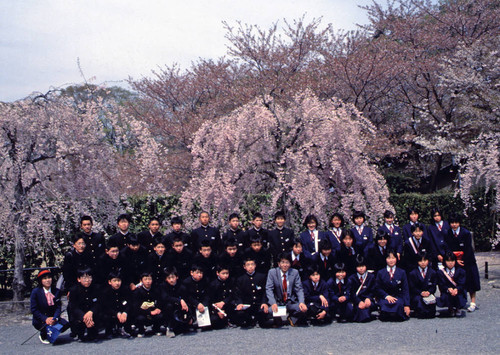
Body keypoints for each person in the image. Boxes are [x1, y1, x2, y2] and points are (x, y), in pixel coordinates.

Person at [444, 214, 480, 312]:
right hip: (453, 261)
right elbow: (447, 248)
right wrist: (455, 260)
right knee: (456, 282)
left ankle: (473, 303)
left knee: (471, 281)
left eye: (456, 222)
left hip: (467, 260)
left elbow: (468, 248)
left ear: (459, 223)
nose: (454, 225)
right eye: (452, 223)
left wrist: (462, 260)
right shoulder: (447, 233)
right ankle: (457, 302)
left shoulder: (466, 233)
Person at [266, 253, 308, 326]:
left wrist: (302, 302)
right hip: (278, 302)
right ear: (279, 264)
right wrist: (273, 303)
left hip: (290, 301)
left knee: (303, 309)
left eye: (287, 262)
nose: (285, 265)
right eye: (282, 262)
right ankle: (277, 318)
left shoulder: (295, 272)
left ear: (290, 264)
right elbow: (269, 289)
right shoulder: (272, 272)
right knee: (268, 311)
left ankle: (292, 317)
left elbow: (299, 289)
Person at [30, 269, 69, 344]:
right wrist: (46, 319)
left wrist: (55, 318)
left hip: (53, 317)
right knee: (43, 326)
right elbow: (34, 309)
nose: (47, 280)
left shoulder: (56, 291)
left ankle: (52, 332)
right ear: (40, 280)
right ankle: (43, 335)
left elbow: (58, 307)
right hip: (41, 319)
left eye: (49, 278)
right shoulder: (36, 292)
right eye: (44, 278)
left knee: (66, 324)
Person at [234, 258, 273, 328]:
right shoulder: (241, 279)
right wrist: (240, 303)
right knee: (240, 314)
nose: (250, 266)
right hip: (248, 304)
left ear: (255, 265)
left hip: (258, 304)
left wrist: (264, 302)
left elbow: (265, 291)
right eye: (248, 265)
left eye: (252, 264)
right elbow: (238, 293)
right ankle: (250, 320)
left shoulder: (262, 276)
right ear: (244, 267)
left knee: (264, 319)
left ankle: (258, 319)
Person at [375, 249, 410, 321]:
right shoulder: (380, 272)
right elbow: (378, 288)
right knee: (385, 305)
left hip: (397, 297)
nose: (391, 260)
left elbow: (405, 289)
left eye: (393, 258)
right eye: (389, 258)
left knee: (398, 304)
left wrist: (407, 305)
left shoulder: (402, 272)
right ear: (385, 259)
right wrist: (386, 296)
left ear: (396, 259)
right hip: (385, 297)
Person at [68, 267, 100, 341]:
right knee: (76, 320)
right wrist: (84, 317)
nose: (87, 280)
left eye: (89, 277)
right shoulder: (73, 290)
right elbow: (73, 307)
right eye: (84, 278)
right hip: (80, 314)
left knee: (94, 335)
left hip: (91, 313)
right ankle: (78, 332)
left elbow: (99, 303)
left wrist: (91, 312)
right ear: (79, 279)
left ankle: (93, 331)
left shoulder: (96, 288)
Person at [160, 267, 192, 337]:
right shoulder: (163, 286)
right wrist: (180, 300)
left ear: (177, 277)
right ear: (166, 279)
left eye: (173, 277)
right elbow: (165, 297)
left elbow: (188, 299)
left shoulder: (182, 286)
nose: (171, 280)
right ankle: (169, 327)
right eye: (169, 278)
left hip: (179, 308)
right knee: (169, 306)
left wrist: (190, 316)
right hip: (167, 308)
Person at [101, 271, 132, 338]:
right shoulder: (106, 292)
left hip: (122, 311)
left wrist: (125, 312)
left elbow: (129, 303)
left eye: (119, 280)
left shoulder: (125, 289)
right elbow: (106, 306)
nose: (117, 283)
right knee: (105, 316)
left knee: (131, 312)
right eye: (114, 281)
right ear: (109, 282)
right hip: (111, 312)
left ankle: (123, 329)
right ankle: (109, 330)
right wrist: (117, 313)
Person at [133, 271, 164, 337]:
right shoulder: (137, 291)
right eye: (145, 279)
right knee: (140, 318)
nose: (148, 281)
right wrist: (149, 312)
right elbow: (136, 307)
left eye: (149, 279)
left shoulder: (156, 290)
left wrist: (158, 309)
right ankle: (141, 330)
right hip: (142, 312)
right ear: (141, 281)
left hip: (154, 310)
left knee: (160, 315)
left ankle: (156, 328)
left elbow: (160, 301)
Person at [408, 251, 437, 318]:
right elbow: (412, 287)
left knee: (430, 310)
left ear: (428, 261)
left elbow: (434, 286)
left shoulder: (432, 272)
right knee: (419, 302)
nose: (423, 262)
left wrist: (429, 292)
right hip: (418, 294)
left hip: (428, 294)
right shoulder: (413, 273)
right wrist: (421, 293)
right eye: (420, 260)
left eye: (425, 260)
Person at [437, 252, 467, 317]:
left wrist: (457, 289)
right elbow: (441, 285)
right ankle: (450, 308)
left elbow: (462, 284)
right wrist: (448, 289)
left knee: (459, 295)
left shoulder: (461, 271)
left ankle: (458, 308)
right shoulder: (441, 272)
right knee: (447, 295)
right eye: (448, 261)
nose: (450, 263)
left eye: (452, 261)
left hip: (458, 291)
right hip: (447, 292)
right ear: (444, 262)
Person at [347, 255, 376, 323]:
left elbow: (374, 290)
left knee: (369, 306)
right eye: (359, 266)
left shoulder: (371, 277)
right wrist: (359, 301)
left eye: (363, 266)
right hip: (357, 300)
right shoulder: (352, 278)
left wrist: (369, 298)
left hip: (367, 299)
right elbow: (351, 292)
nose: (361, 268)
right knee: (360, 311)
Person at [208, 265, 237, 329]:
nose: (225, 275)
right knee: (215, 322)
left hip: (228, 304)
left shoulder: (231, 281)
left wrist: (224, 302)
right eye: (223, 273)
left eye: (227, 273)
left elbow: (232, 294)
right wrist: (218, 311)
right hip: (217, 307)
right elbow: (211, 300)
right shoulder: (213, 284)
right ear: (217, 273)